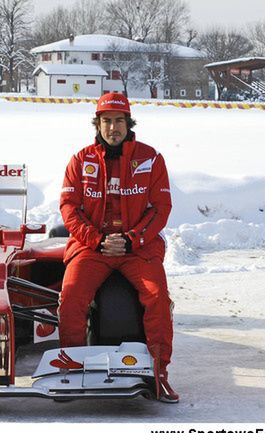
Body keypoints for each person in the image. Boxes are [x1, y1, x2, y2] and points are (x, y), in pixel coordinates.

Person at [59, 92, 178, 402]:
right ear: (97, 124)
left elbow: (160, 207)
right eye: (107, 121)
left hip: (138, 247)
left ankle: (158, 374)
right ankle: (71, 371)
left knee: (158, 299)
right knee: (70, 298)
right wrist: (96, 239)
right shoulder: (80, 159)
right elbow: (69, 208)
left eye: (119, 121)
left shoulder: (151, 158)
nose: (113, 128)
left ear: (129, 123)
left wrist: (132, 238)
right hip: (92, 247)